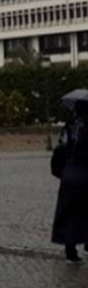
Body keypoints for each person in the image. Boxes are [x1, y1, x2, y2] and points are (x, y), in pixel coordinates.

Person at [52, 99, 88, 263]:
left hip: (69, 174)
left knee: (69, 213)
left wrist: (63, 172)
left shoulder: (69, 127)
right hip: (84, 173)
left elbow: (60, 149)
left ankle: (70, 251)